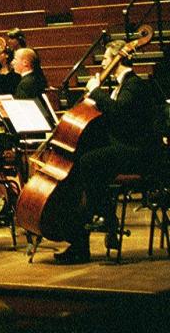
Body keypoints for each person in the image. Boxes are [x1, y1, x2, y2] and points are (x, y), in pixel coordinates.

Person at [52, 53, 164, 263]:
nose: (102, 63)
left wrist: (96, 92)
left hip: (139, 153)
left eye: (106, 58)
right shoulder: (120, 87)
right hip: (123, 149)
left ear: (118, 60)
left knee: (89, 163)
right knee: (85, 168)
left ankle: (106, 219)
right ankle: (87, 237)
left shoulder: (134, 85)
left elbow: (119, 116)